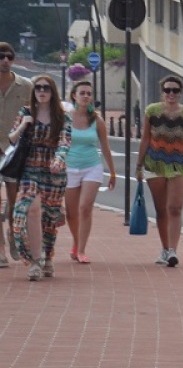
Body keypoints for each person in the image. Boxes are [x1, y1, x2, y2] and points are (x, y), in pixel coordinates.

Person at [7, 74, 70, 281]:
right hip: (29, 170)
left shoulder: (62, 117)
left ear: (53, 92)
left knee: (49, 219)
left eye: (46, 88)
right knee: (28, 210)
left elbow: (64, 142)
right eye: (38, 88)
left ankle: (48, 257)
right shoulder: (26, 112)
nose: (42, 91)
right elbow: (12, 138)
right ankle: (34, 261)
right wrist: (23, 125)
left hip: (53, 173)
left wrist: (58, 161)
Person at [135, 75, 183, 267]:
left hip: (180, 164)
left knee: (175, 208)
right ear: (162, 92)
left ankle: (173, 250)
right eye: (167, 90)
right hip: (155, 164)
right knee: (161, 209)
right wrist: (139, 166)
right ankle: (165, 249)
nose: (171, 94)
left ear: (181, 93)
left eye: (175, 90)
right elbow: (145, 139)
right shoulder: (152, 111)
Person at [64, 80, 116, 264]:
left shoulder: (97, 120)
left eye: (89, 93)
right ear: (74, 96)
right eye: (82, 93)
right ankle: (76, 243)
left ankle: (82, 250)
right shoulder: (65, 118)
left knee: (85, 208)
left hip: (92, 166)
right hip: (69, 167)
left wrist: (112, 172)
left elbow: (105, 147)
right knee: (71, 212)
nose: (86, 96)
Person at [0, 41, 32, 267]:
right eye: (1, 57)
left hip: (14, 151)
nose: (5, 61)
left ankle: (13, 236)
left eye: (9, 57)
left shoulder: (26, 86)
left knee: (14, 202)